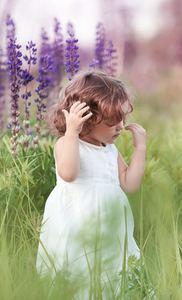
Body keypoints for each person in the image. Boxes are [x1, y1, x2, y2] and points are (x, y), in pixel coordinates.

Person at [36, 70, 146, 298]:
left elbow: (129, 184)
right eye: (114, 120)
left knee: (113, 265)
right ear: (86, 119)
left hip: (112, 227)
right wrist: (72, 132)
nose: (120, 126)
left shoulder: (110, 150)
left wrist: (140, 150)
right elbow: (68, 174)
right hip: (78, 224)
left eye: (123, 119)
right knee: (80, 265)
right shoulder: (67, 144)